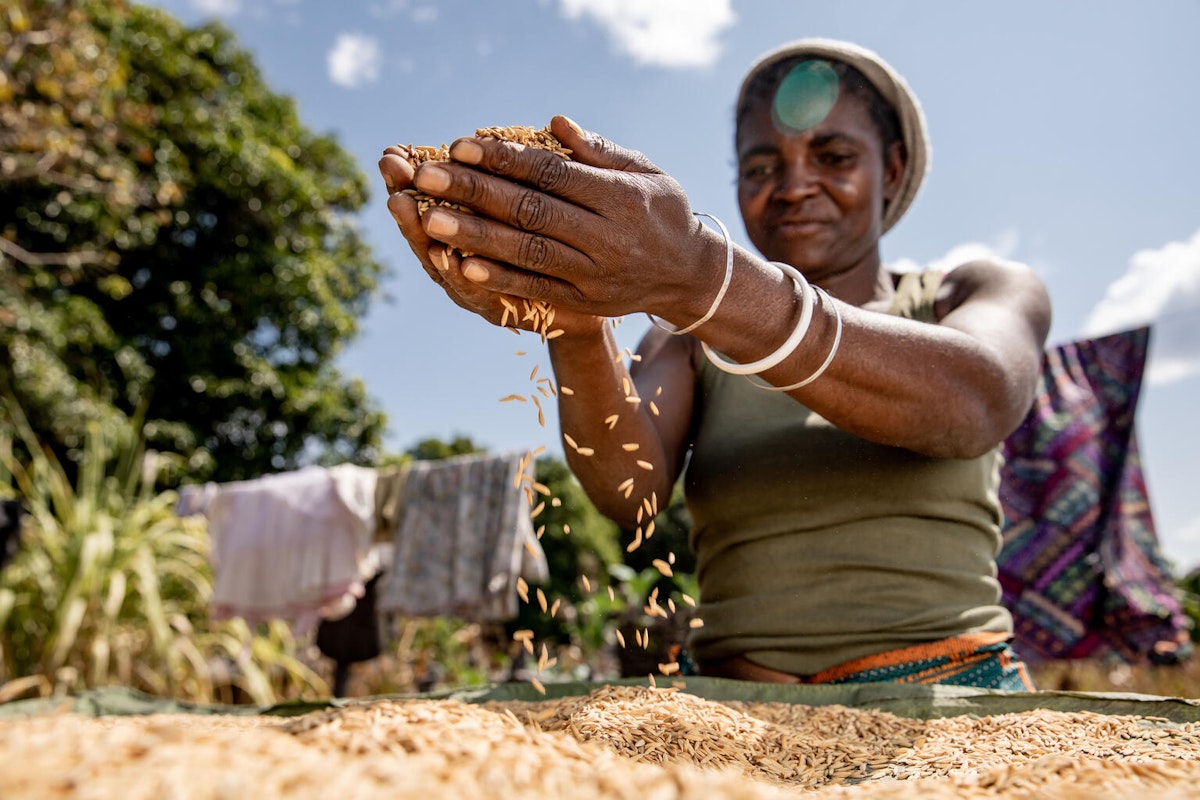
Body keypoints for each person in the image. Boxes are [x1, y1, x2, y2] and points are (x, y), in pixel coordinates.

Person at [378, 38, 1052, 691]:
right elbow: (630, 496)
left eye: (833, 156)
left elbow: (977, 402)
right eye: (761, 168)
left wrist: (703, 276)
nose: (793, 186)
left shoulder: (966, 293)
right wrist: (577, 326)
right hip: (733, 703)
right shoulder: (687, 335)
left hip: (953, 692)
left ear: (894, 170)